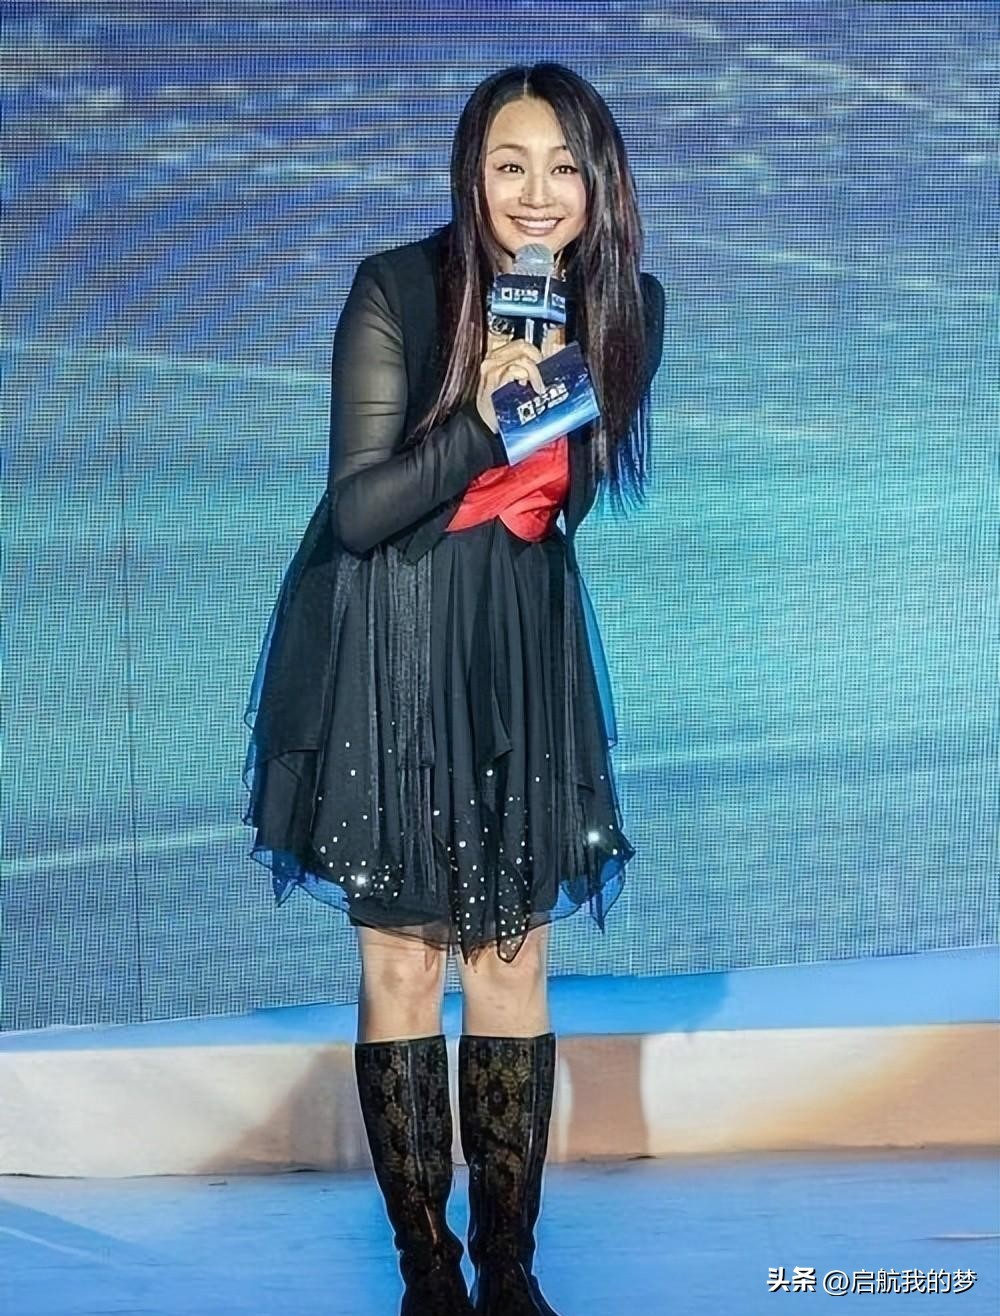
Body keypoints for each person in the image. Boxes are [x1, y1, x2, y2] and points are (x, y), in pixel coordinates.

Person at [242, 62, 664, 1316]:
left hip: (517, 644)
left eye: (563, 169)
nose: (537, 195)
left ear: (600, 184)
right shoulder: (396, 287)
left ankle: (510, 1266)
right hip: (390, 635)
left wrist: (544, 397)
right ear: (469, 175)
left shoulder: (624, 306)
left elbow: (563, 503)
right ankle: (428, 1270)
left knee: (512, 956)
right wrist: (483, 417)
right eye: (508, 166)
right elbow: (359, 508)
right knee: (402, 962)